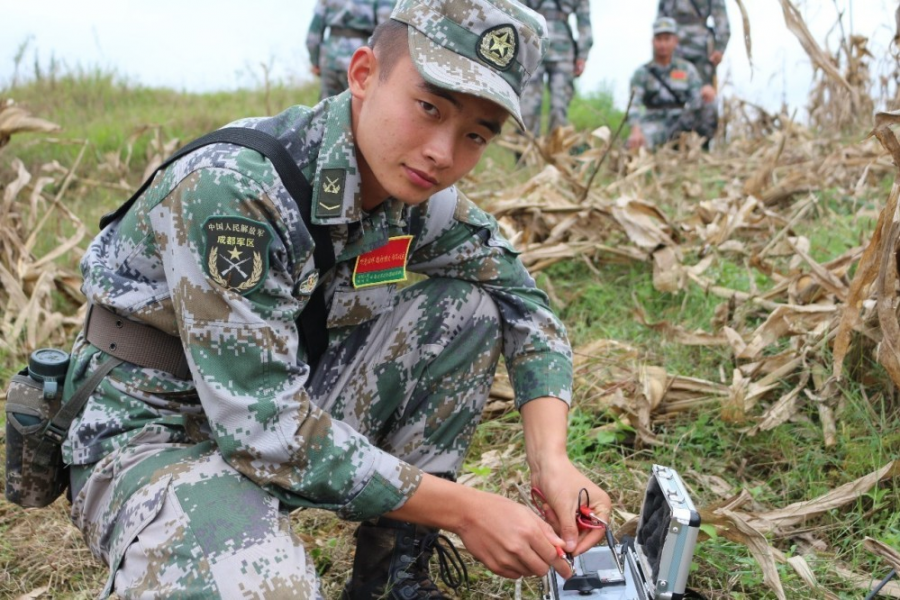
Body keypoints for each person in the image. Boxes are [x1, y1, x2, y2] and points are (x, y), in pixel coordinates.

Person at [62, 0, 612, 597]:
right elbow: (262, 430)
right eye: (429, 108)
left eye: (474, 135)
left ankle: (392, 579)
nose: (442, 152)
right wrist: (466, 510)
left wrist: (549, 461)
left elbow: (521, 301)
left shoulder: (414, 199)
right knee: (269, 588)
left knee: (465, 310)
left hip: (277, 402)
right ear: (363, 74)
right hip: (152, 429)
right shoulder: (236, 189)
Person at [626, 17, 716, 151]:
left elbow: (696, 101)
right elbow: (634, 106)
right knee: (635, 147)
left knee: (709, 107)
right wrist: (636, 131)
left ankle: (702, 150)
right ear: (652, 41)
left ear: (675, 41)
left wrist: (705, 92)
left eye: (667, 39)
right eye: (659, 39)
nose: (663, 44)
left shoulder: (687, 70)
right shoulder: (641, 73)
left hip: (681, 123)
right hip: (653, 123)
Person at [656, 0, 730, 141]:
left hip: (702, 52)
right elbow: (659, 21)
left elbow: (721, 18)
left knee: (705, 96)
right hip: (672, 49)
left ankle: (703, 143)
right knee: (671, 95)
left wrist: (720, 48)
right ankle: (671, 142)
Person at [518, 0, 593, 138]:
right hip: (531, 46)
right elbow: (515, 9)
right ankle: (526, 154)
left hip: (563, 53)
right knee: (527, 107)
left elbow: (584, 22)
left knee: (559, 108)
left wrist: (582, 55)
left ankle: (555, 154)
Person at [306, 0, 394, 101]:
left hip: (329, 59)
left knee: (326, 110)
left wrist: (315, 62)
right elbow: (386, 32)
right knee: (357, 110)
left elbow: (312, 37)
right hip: (360, 60)